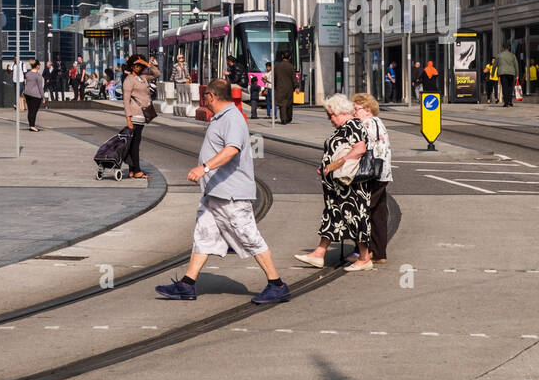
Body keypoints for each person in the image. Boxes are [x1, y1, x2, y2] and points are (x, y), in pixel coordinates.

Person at [155, 78, 289, 305]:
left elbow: (231, 150)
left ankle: (277, 285)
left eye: (205, 95)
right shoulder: (222, 118)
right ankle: (187, 285)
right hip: (215, 193)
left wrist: (204, 168)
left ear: (212, 96)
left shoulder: (232, 118)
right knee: (204, 235)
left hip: (231, 195)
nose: (204, 99)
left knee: (249, 236)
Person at [294, 93, 372, 272]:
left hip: (350, 186)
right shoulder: (343, 127)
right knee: (333, 217)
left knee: (354, 218)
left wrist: (335, 164)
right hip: (337, 187)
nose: (330, 119)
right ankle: (319, 253)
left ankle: (365, 258)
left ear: (340, 112)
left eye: (331, 115)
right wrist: (325, 167)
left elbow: (360, 149)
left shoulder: (353, 125)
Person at [352, 92, 392, 264]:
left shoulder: (367, 123)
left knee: (362, 210)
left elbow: (359, 147)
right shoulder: (378, 122)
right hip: (383, 173)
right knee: (378, 213)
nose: (354, 113)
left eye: (356, 109)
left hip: (371, 173)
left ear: (367, 109)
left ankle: (363, 252)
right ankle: (379, 253)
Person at [123, 56, 153, 179]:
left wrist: (145, 63)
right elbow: (126, 100)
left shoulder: (143, 78)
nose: (138, 67)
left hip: (142, 115)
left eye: (140, 65)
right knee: (135, 144)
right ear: (131, 66)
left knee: (133, 143)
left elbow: (157, 73)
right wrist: (128, 118)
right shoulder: (129, 80)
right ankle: (137, 171)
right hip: (135, 115)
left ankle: (132, 170)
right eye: (136, 65)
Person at [274, 51, 296, 125]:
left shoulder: (277, 66)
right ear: (290, 57)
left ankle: (283, 119)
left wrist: (275, 87)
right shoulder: (291, 66)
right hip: (289, 88)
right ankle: (289, 118)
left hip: (279, 88)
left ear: (282, 56)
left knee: (282, 104)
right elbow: (294, 78)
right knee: (289, 104)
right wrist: (297, 86)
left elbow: (274, 78)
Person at [23, 59, 44, 131]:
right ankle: (32, 126)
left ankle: (31, 125)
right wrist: (43, 97)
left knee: (30, 110)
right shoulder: (38, 76)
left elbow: (26, 83)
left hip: (27, 94)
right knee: (34, 111)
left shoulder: (27, 74)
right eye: (39, 64)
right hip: (35, 95)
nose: (40, 65)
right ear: (37, 66)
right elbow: (40, 88)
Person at [495, 42, 519, 107]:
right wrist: (517, 74)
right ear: (509, 47)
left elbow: (495, 65)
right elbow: (516, 65)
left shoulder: (499, 55)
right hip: (511, 73)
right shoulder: (512, 55)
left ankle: (506, 102)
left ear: (503, 48)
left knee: (505, 88)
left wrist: (493, 73)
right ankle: (510, 101)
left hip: (503, 73)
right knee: (510, 88)